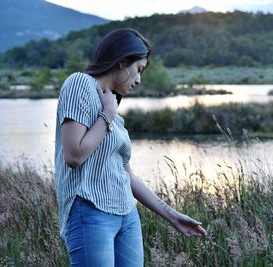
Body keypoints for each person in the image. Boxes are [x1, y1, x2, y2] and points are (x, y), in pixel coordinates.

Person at [54, 28, 207, 266]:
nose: (138, 80)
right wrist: (106, 115)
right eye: (139, 70)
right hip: (90, 211)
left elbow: (127, 175)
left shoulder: (115, 115)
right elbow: (74, 155)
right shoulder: (79, 84)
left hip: (127, 215)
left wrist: (172, 216)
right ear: (122, 62)